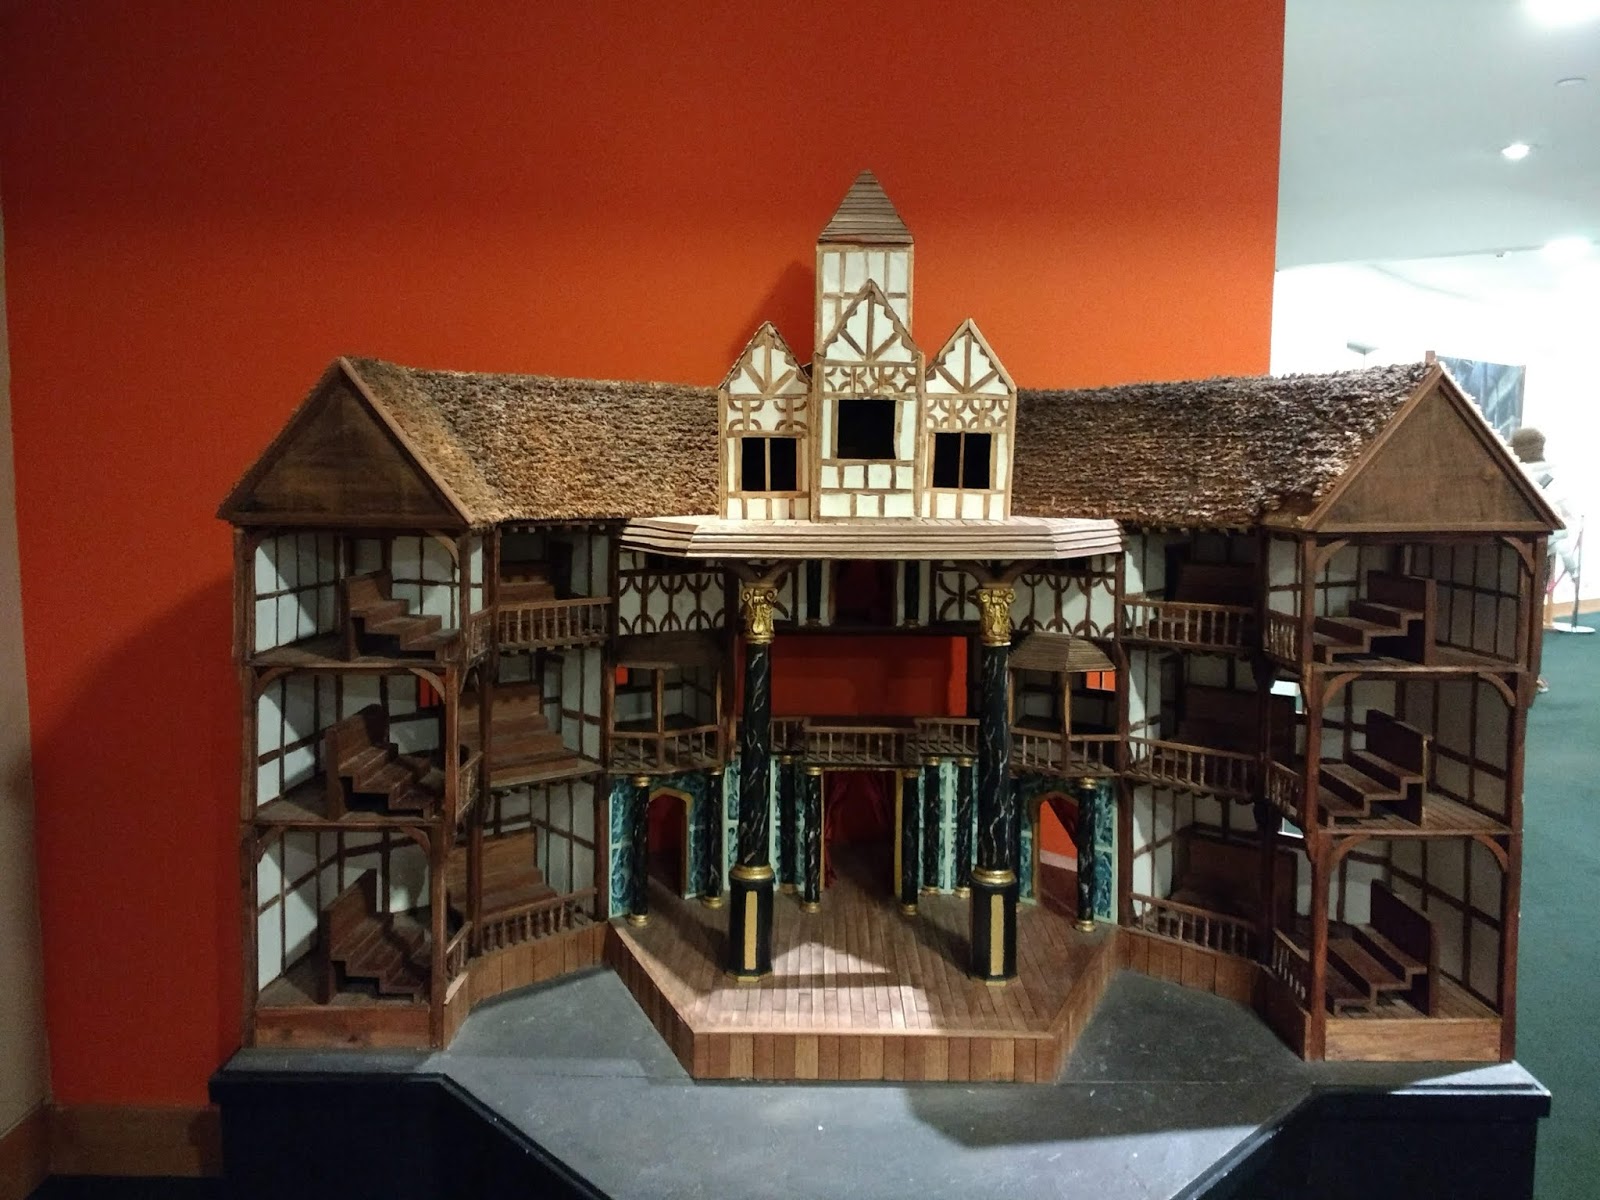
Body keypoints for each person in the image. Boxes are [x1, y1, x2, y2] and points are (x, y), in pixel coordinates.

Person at [1511, 426, 1579, 693]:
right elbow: (1565, 527)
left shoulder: (1509, 475)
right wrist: (1573, 568)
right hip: (1541, 558)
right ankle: (1531, 676)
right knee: (1532, 617)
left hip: (1507, 555)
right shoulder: (1555, 482)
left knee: (1507, 614)